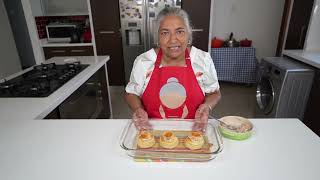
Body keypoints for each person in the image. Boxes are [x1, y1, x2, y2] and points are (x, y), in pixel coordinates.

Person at [125, 7, 221, 130]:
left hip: (195, 132)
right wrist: (138, 109)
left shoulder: (202, 60)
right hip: (152, 132)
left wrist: (207, 106)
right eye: (165, 33)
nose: (173, 40)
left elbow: (215, 93)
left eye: (179, 31)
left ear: (188, 34)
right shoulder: (144, 62)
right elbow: (131, 93)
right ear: (157, 37)